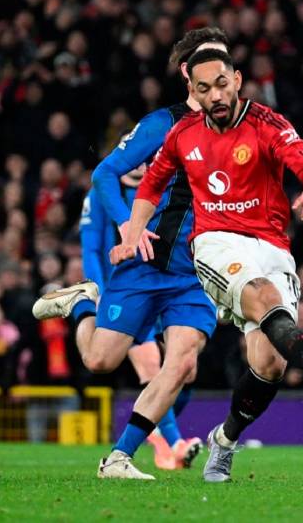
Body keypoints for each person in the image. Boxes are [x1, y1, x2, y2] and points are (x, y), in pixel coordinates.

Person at [112, 48, 303, 483]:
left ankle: (223, 440)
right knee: (264, 298)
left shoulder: (267, 124)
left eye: (221, 84)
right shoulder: (183, 134)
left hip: (272, 245)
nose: (215, 95)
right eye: (203, 89)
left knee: (271, 363)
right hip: (216, 243)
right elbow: (150, 185)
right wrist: (133, 229)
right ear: (194, 92)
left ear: (237, 80)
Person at [32, 28, 232, 480]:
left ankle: (122, 457)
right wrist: (128, 223)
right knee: (100, 360)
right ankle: (83, 300)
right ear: (188, 74)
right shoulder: (162, 124)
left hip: (194, 274)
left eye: (225, 68)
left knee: (181, 363)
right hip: (143, 266)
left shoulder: (242, 128)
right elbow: (105, 173)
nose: (220, 80)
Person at [79, 162, 200, 470]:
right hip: (127, 288)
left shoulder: (164, 186)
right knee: (140, 364)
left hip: (167, 284)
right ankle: (172, 444)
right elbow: (92, 248)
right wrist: (98, 288)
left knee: (185, 371)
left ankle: (160, 437)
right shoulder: (106, 192)